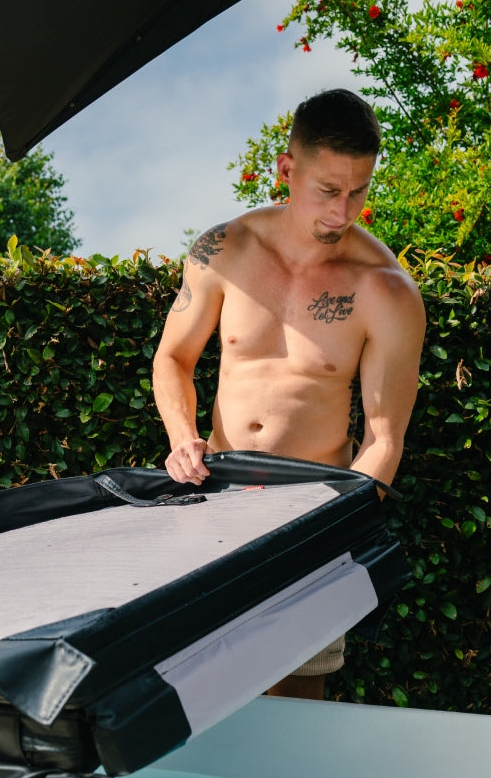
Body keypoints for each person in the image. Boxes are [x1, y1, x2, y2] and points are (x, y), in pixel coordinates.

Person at [152, 87, 425, 700]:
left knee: (294, 709)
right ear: (287, 168)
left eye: (359, 191)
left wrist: (329, 534)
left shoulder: (386, 291)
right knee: (199, 698)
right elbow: (173, 357)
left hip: (311, 520)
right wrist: (181, 438)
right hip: (213, 507)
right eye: (329, 190)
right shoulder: (224, 251)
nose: (343, 211)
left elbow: (385, 438)